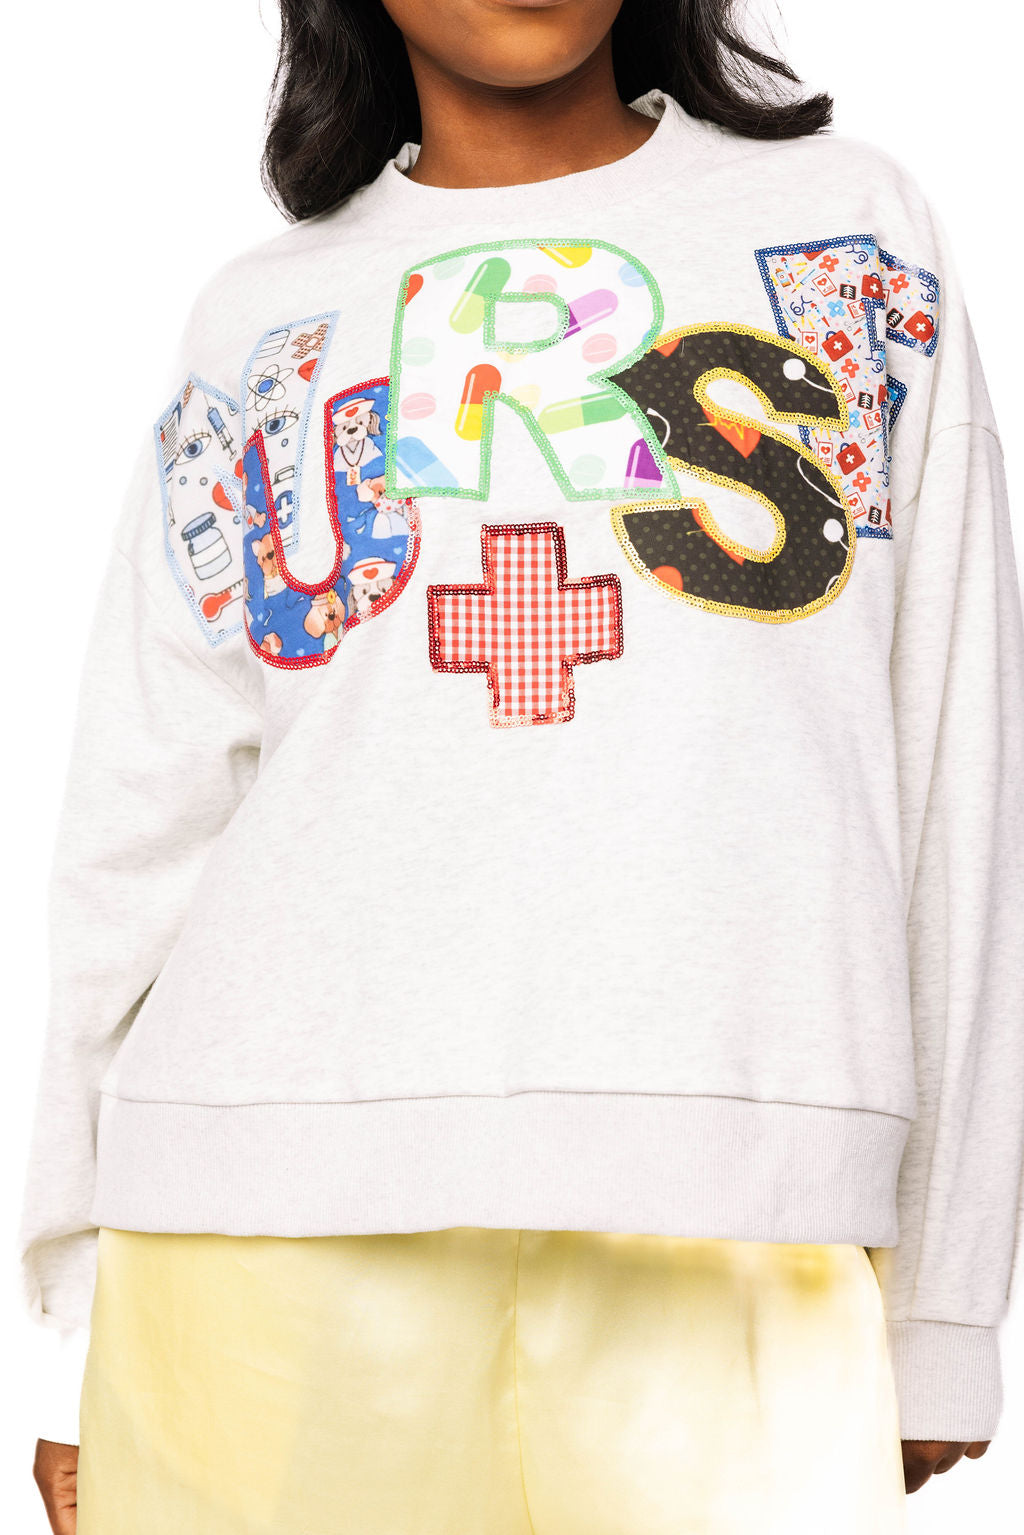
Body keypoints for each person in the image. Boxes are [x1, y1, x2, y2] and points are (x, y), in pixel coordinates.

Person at [22, 1, 1024, 1531]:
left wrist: (948, 1303)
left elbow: (954, 759)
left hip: (736, 1222)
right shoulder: (260, 314)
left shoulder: (849, 235)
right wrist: (74, 1308)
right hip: (257, 1240)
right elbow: (140, 816)